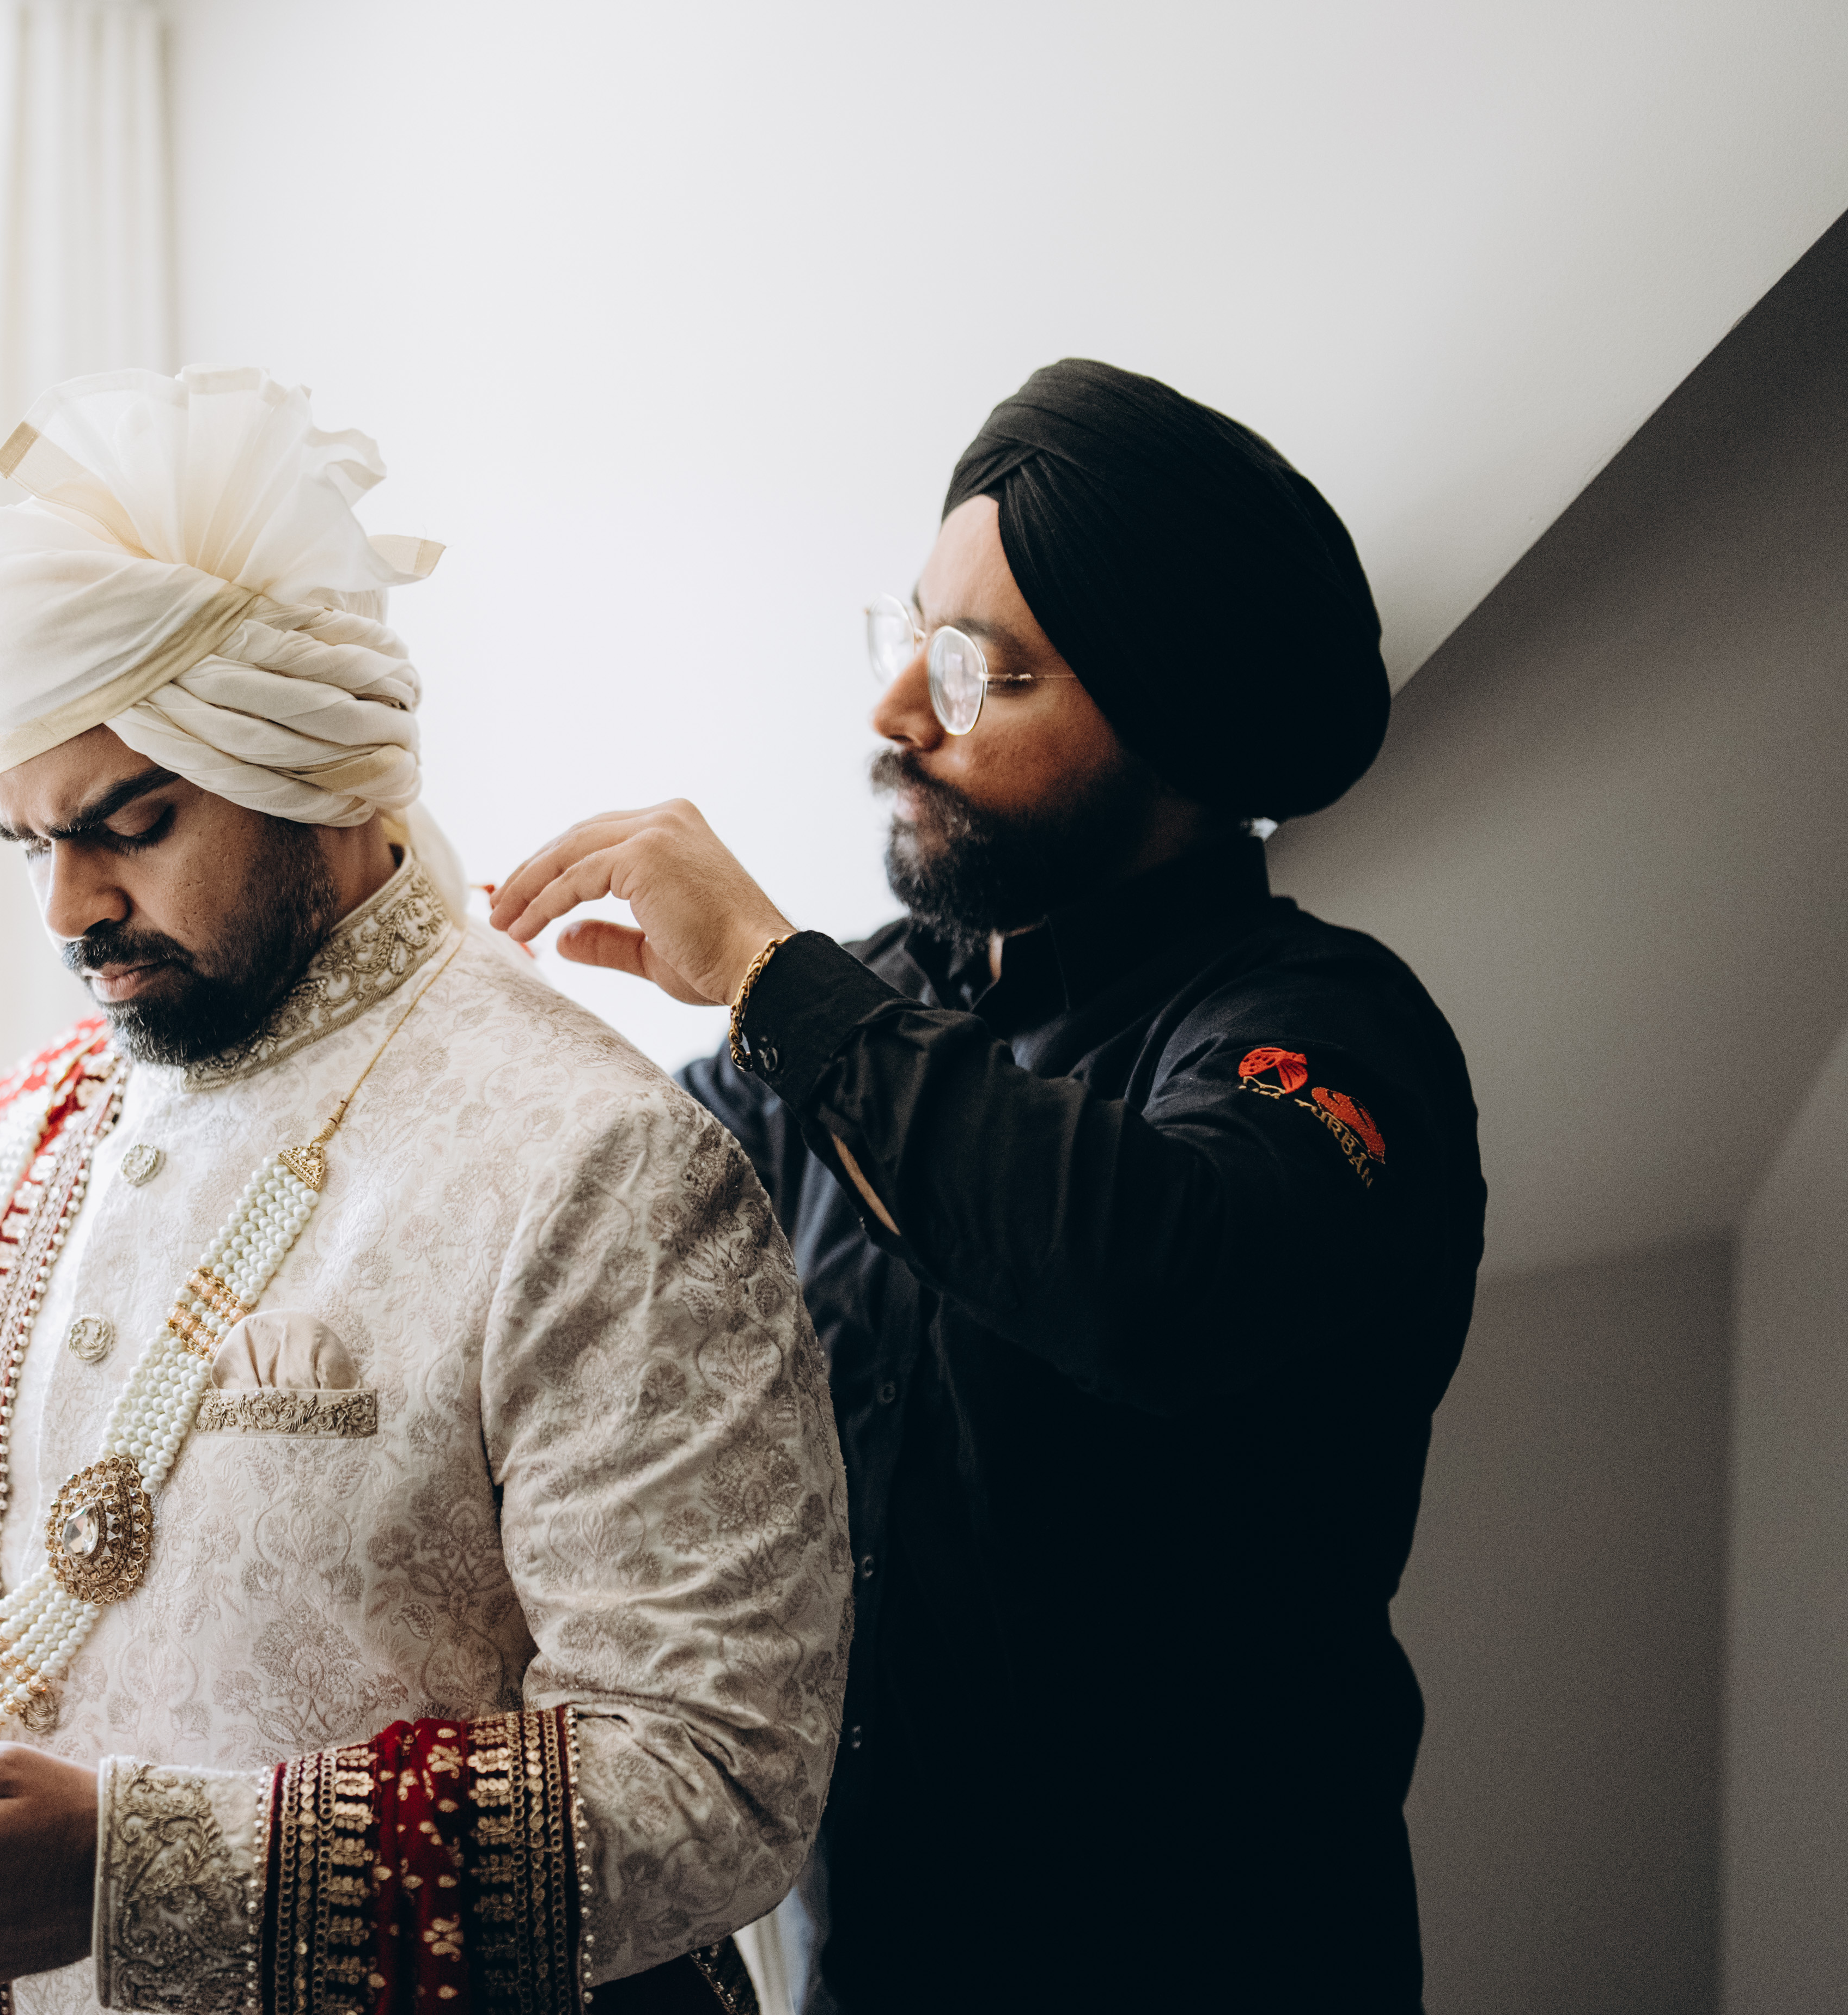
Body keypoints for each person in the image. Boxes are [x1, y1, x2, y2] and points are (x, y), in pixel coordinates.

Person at [0, 366, 849, 2015]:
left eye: (128, 824)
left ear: (315, 775)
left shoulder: (593, 1162)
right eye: (26, 841)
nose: (67, 907)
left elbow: (714, 1779)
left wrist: (135, 1874)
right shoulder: (20, 1133)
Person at [492, 359, 1486, 2013]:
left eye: (980, 669)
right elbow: (596, 1224)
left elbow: (1159, 1274)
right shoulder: (867, 1013)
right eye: (912, 633)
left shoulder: (1330, 1028)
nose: (897, 707)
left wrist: (768, 971)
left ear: (1173, 721)